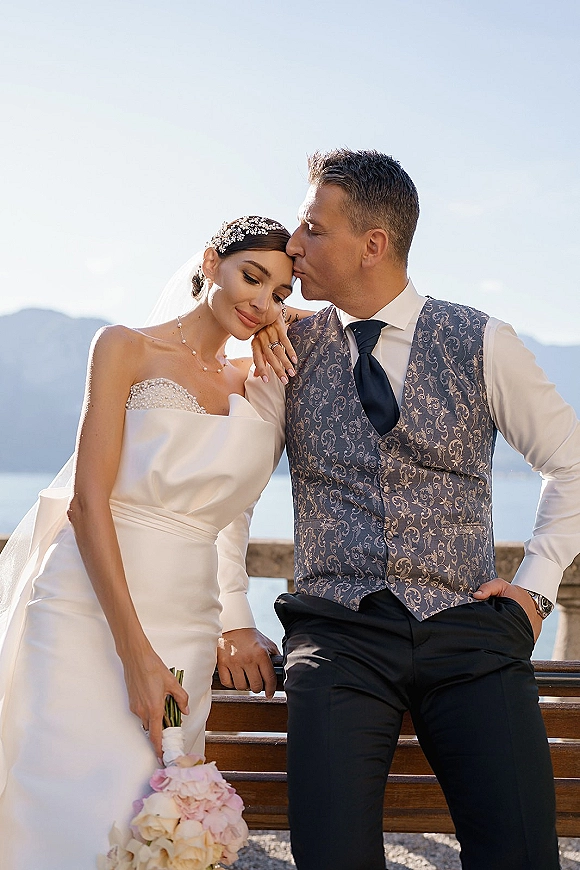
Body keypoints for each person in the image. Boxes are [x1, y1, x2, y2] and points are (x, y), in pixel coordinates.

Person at [246, 150, 580, 870]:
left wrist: (536, 587)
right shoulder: (287, 349)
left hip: (469, 630)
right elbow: (226, 496)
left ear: (374, 244)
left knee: (521, 855)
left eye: (311, 227)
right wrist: (230, 616)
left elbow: (571, 462)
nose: (292, 245)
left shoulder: (480, 339)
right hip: (336, 635)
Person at [0, 215, 299, 869]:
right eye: (251, 276)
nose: (262, 301)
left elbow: (232, 519)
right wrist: (135, 655)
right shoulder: (124, 347)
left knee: (152, 806)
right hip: (87, 605)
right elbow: (87, 502)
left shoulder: (259, 380)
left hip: (188, 618)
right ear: (209, 260)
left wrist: (281, 319)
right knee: (65, 801)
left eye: (280, 292)